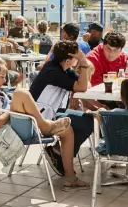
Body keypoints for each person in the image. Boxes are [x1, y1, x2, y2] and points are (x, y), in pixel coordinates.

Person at [0, 57, 88, 189]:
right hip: (12, 131)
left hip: (18, 125)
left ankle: (70, 177)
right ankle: (45, 125)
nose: (5, 80)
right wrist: (12, 110)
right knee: (20, 92)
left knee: (67, 130)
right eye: (2, 77)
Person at [29, 40, 95, 174]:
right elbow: (82, 86)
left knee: (91, 119)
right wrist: (83, 61)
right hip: (43, 117)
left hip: (53, 112)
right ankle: (60, 154)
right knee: (89, 121)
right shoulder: (53, 72)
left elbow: (86, 85)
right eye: (77, 56)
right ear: (68, 60)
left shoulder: (64, 69)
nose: (79, 59)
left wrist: (74, 91)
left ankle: (58, 152)